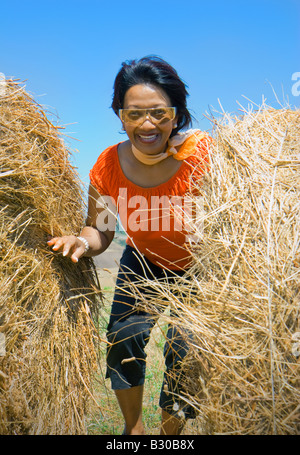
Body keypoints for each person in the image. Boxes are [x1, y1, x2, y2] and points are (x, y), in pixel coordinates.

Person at [48, 56, 211, 435]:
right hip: (145, 262)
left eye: (159, 112)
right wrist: (81, 242)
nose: (147, 124)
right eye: (134, 114)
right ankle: (133, 430)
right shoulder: (108, 166)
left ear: (176, 113)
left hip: (200, 268)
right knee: (124, 336)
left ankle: (171, 437)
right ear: (121, 116)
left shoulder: (204, 157)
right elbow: (101, 230)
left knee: (186, 351)